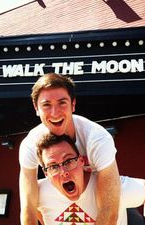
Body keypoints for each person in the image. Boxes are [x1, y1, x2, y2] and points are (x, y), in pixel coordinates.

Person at [19, 73, 121, 225]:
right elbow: (29, 207)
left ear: (73, 104)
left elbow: (109, 208)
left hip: (100, 193)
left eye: (62, 103)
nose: (55, 113)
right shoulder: (30, 144)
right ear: (36, 108)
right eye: (46, 105)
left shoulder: (98, 139)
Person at [36, 133, 145, 225]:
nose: (63, 172)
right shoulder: (38, 193)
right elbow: (37, 210)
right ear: (46, 173)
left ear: (81, 161)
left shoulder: (114, 189)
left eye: (68, 161)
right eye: (53, 166)